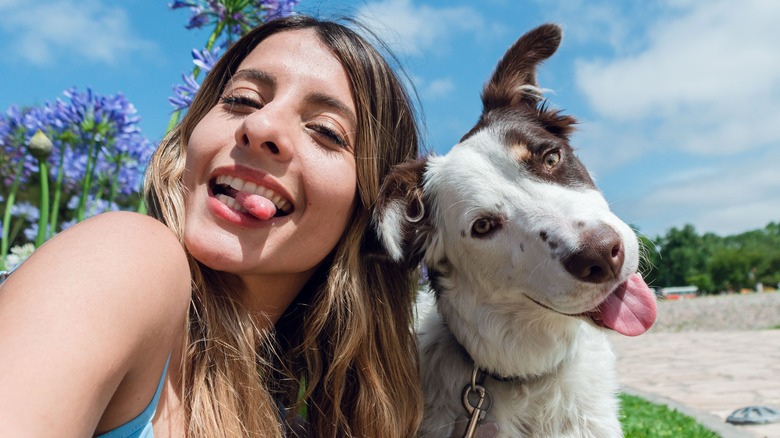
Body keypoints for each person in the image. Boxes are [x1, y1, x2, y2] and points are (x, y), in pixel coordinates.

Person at [0, 15, 424, 437]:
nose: (259, 127)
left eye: (325, 131)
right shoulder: (128, 257)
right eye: (242, 100)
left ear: (373, 218)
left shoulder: (292, 419)